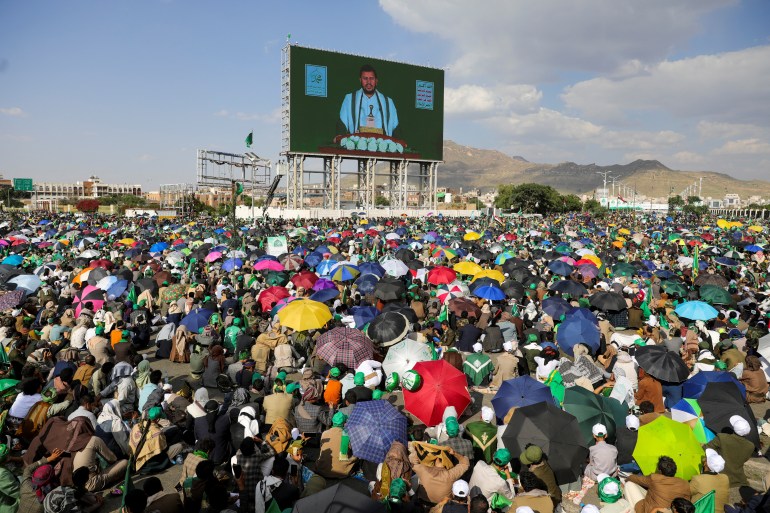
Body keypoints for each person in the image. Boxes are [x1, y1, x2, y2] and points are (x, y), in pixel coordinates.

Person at [336, 64, 399, 139]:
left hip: (382, 146)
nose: (368, 82)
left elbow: (396, 127)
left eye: (371, 78)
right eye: (365, 78)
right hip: (357, 146)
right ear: (360, 80)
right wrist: (339, 136)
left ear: (376, 81)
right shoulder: (349, 99)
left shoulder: (388, 102)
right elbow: (342, 124)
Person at [624, 456, 691, 513]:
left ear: (660, 470)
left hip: (649, 510)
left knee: (629, 484)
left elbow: (635, 479)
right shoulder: (685, 483)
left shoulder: (655, 478)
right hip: (669, 509)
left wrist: (627, 479)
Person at [704, 415, 756, 487]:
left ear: (734, 429)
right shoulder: (751, 446)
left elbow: (707, 448)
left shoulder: (722, 438)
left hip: (719, 475)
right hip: (738, 478)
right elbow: (745, 459)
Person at [314, 412, 358, 480]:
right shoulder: (347, 435)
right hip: (342, 471)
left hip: (322, 470)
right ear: (344, 423)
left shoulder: (324, 433)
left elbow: (322, 449)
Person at [690, 448, 729, 513]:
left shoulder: (697, 479)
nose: (703, 459)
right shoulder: (725, 478)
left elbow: (687, 492)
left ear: (706, 464)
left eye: (705, 458)